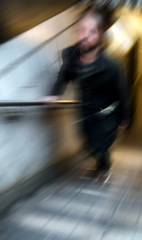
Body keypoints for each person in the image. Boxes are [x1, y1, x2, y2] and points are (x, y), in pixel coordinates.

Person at [45, 8, 129, 182]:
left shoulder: (111, 67)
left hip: (106, 113)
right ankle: (100, 161)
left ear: (100, 36)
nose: (85, 36)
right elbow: (64, 76)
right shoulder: (72, 56)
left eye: (91, 32)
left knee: (101, 144)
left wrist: (123, 119)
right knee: (88, 144)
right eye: (82, 30)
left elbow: (122, 94)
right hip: (86, 111)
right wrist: (54, 94)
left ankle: (104, 167)